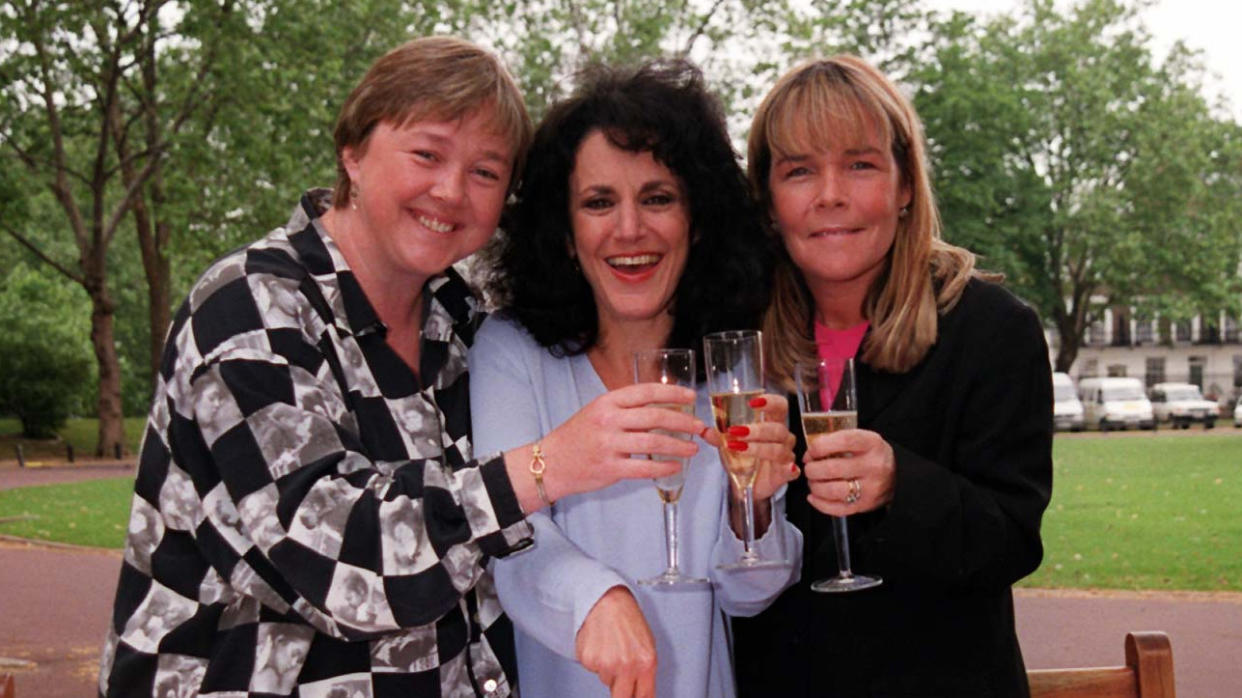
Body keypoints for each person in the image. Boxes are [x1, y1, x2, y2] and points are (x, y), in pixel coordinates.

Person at [99, 36, 707, 698]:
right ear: (353, 152)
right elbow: (340, 569)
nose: (450, 191)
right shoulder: (250, 309)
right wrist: (545, 467)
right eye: (427, 154)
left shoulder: (463, 324)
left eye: (485, 172)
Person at [471, 60, 803, 698]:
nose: (630, 230)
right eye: (599, 203)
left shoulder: (735, 366)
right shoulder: (511, 351)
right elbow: (508, 539)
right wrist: (600, 597)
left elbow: (752, 594)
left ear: (697, 220)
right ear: (565, 234)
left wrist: (753, 503)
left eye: (657, 198)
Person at [731, 55, 1053, 697]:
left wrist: (902, 486)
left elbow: (1012, 541)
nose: (831, 195)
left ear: (906, 185)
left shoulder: (992, 330)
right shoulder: (736, 342)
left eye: (860, 164)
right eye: (799, 171)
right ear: (768, 201)